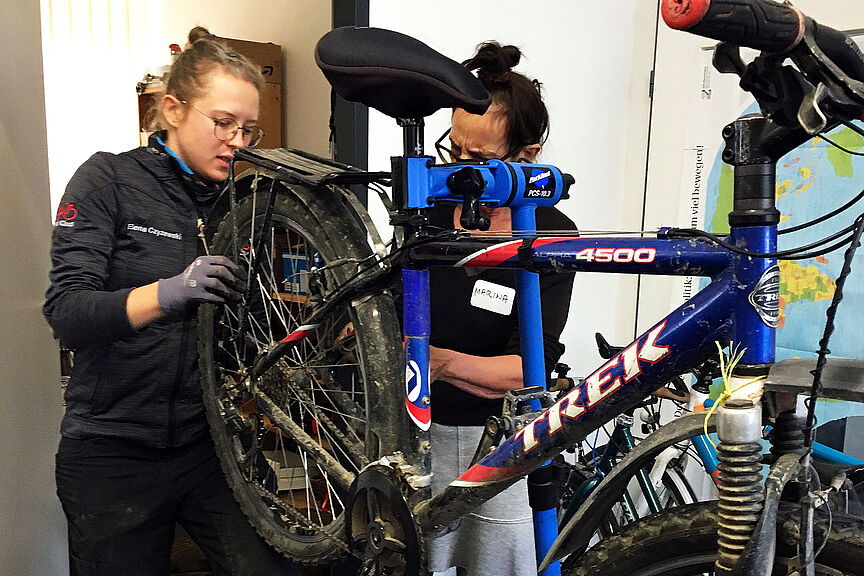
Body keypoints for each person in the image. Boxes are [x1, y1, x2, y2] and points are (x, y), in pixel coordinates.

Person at [43, 26, 297, 576]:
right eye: (223, 122)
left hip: (209, 444)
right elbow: (68, 315)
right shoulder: (107, 179)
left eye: (248, 129)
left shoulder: (241, 203)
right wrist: (169, 293)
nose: (238, 141)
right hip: (113, 449)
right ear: (173, 109)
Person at [425, 42, 576, 576]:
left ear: (527, 157)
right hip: (419, 432)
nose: (459, 175)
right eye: (454, 155)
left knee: (500, 566)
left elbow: (523, 372)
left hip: (505, 444)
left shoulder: (553, 237)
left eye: (480, 163)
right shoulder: (431, 215)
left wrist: (439, 362)